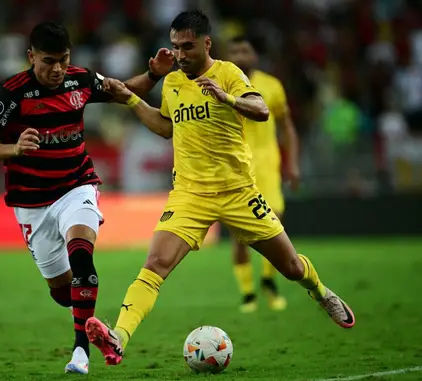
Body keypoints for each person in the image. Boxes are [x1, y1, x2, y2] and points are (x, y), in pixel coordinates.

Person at [84, 10, 355, 366]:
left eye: (188, 46)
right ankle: (118, 336)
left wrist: (228, 99)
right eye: (176, 46)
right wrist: (133, 101)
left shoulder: (228, 73)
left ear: (206, 43)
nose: (180, 54)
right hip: (190, 195)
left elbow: (260, 109)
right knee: (155, 263)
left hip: (238, 192)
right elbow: (167, 128)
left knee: (290, 266)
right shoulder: (173, 83)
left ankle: (320, 292)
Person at [0, 21, 174, 374]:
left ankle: (82, 350)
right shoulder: (10, 93)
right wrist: (15, 148)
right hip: (31, 202)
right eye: (49, 61)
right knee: (64, 292)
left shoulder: (78, 79)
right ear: (31, 56)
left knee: (82, 255)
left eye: (63, 59)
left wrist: (152, 75)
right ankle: (88, 321)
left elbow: (121, 91)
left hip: (75, 185)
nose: (57, 69)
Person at [225, 35, 300, 313]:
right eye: (235, 51)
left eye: (245, 49)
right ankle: (248, 293)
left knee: (275, 222)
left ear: (254, 55)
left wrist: (292, 162)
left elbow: (287, 126)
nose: (240, 55)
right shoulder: (220, 84)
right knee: (240, 235)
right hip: (236, 167)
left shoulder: (271, 85)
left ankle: (268, 280)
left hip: (268, 164)